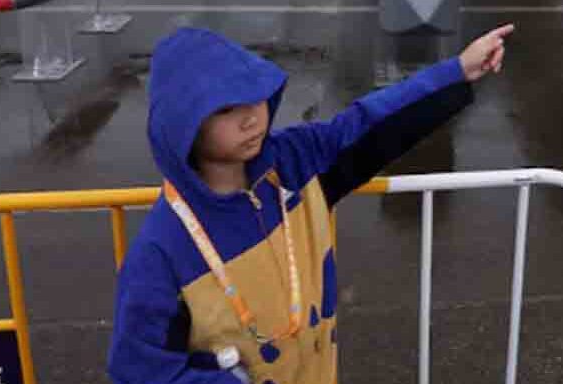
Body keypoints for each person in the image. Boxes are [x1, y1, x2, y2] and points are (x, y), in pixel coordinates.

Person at [108, 24, 514, 384]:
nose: (251, 118)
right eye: (226, 109)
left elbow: (371, 121)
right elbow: (140, 370)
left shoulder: (296, 164)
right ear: (183, 125)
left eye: (254, 97)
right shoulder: (161, 253)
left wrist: (456, 71)